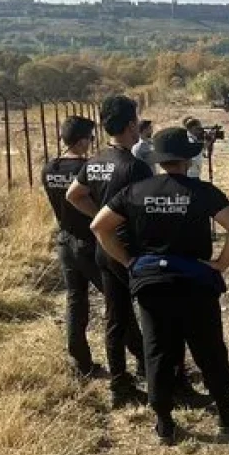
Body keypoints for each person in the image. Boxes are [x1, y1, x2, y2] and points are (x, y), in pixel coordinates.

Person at [91, 127, 229, 446]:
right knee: (209, 349)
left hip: (152, 285)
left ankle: (165, 423)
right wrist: (220, 264)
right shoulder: (203, 191)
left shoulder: (136, 191)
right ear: (187, 159)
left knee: (157, 351)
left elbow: (99, 226)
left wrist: (127, 262)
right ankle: (225, 413)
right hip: (195, 283)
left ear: (159, 160)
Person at [65, 96, 158, 407]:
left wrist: (99, 218)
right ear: (132, 124)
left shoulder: (94, 162)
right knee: (150, 313)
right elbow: (149, 213)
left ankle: (120, 384)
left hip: (104, 248)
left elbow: (74, 194)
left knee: (115, 317)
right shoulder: (136, 167)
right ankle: (156, 374)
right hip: (131, 249)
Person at [42, 116, 105, 379]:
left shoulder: (49, 168)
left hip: (64, 239)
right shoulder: (89, 169)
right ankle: (141, 357)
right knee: (117, 298)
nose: (91, 143)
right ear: (81, 141)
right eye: (90, 139)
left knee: (75, 300)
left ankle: (81, 363)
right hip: (90, 242)